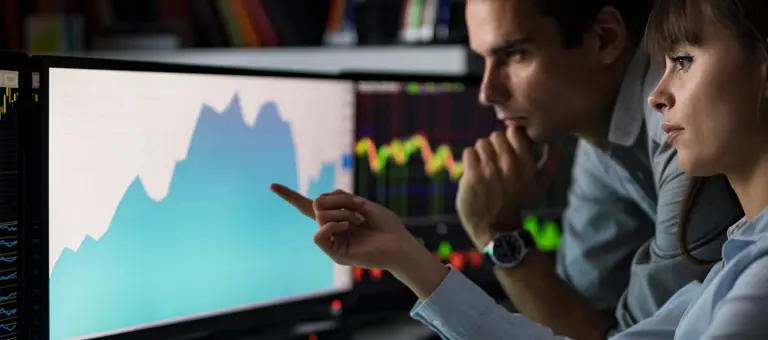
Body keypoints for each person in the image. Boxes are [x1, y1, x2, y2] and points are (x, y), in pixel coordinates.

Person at [271, 0, 768, 338]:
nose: (487, 91)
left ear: (605, 38)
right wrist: (404, 256)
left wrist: (498, 234)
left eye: (514, 54)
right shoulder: (732, 260)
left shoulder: (688, 154)